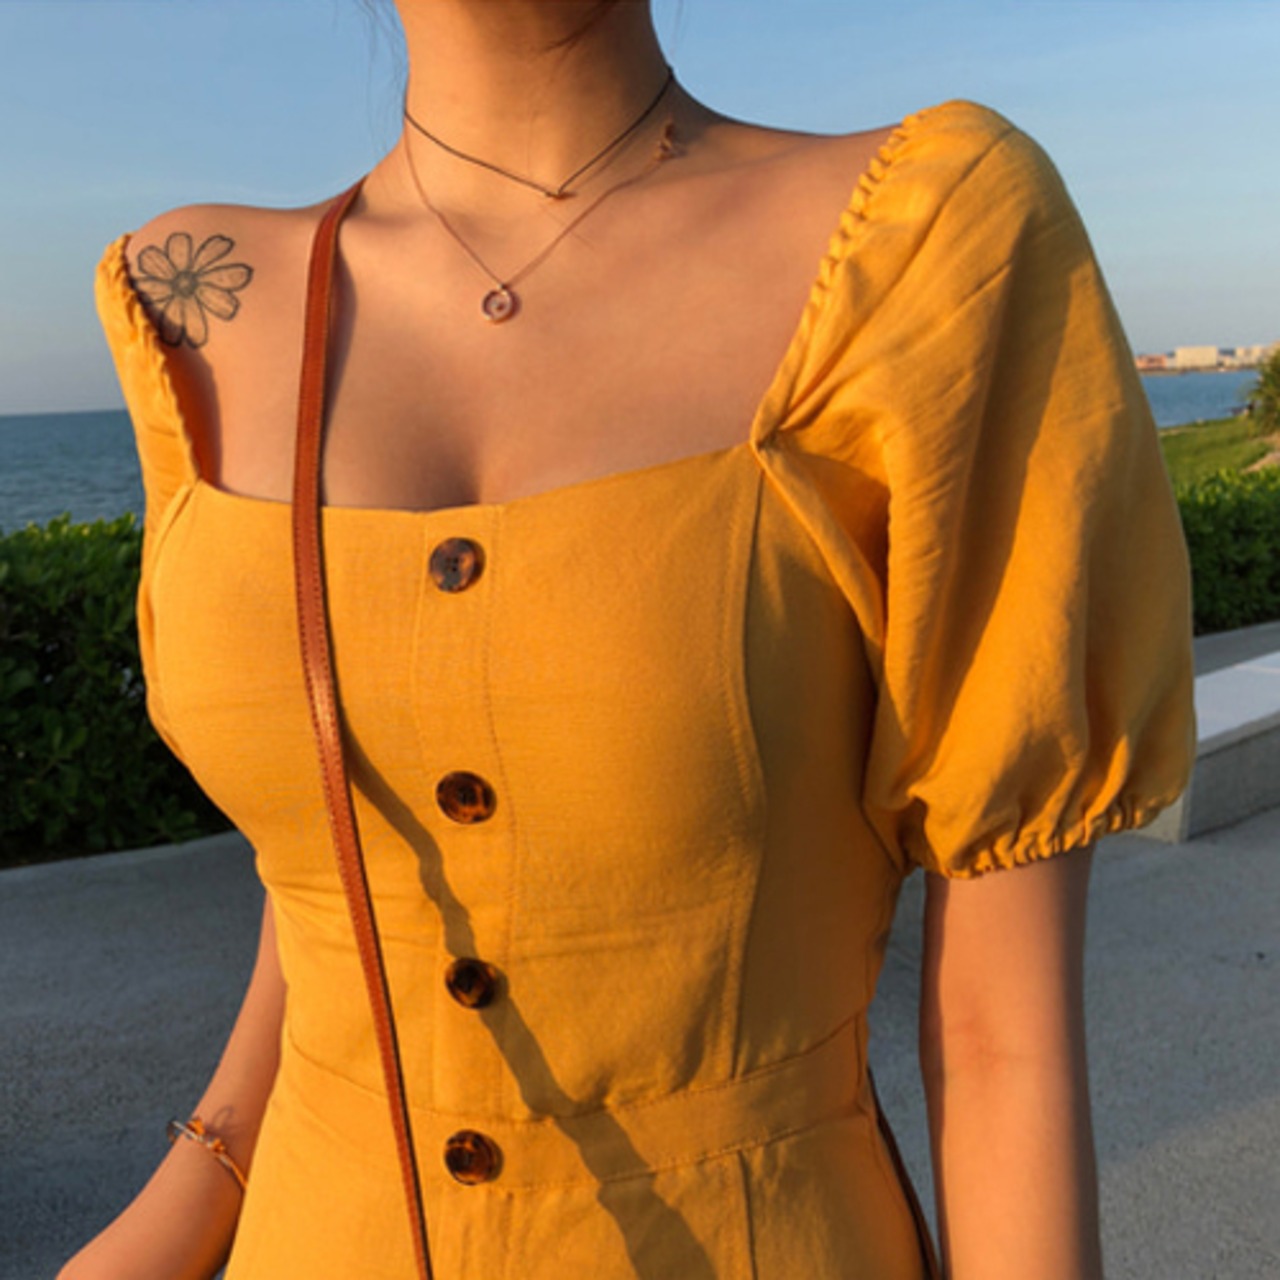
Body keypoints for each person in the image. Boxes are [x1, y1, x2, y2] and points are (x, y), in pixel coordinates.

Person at [68, 1, 1195, 1277]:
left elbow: (1001, 1037)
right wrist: (190, 1187)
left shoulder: (928, 247)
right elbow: (333, 867)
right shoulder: (194, 299)